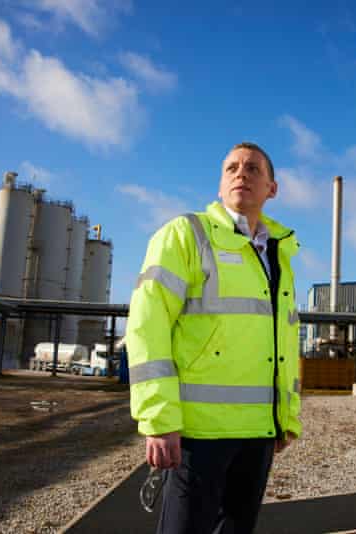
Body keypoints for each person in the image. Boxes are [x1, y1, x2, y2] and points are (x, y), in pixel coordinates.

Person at [126, 142, 302, 533]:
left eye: (253, 169)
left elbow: (285, 341)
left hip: (257, 432)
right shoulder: (186, 235)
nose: (241, 174)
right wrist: (158, 418)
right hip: (198, 432)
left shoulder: (279, 255)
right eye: (232, 168)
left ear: (272, 188)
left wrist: (284, 415)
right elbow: (146, 326)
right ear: (221, 185)